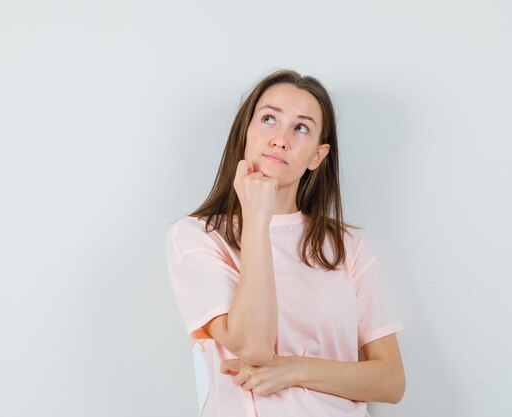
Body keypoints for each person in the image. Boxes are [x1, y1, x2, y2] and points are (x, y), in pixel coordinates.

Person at [165, 69, 405, 417]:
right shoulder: (197, 238)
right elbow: (253, 346)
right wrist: (257, 220)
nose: (280, 139)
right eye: (268, 119)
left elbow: (391, 381)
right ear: (245, 134)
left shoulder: (345, 246)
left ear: (317, 156)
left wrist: (293, 370)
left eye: (301, 128)